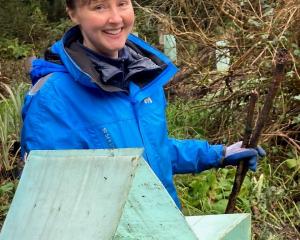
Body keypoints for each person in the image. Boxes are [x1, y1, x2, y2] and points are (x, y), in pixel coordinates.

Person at [21, 0, 265, 208]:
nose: (116, 18)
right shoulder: (53, 97)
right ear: (73, 12)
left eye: (122, 3)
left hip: (163, 223)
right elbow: (51, 201)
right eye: (99, 7)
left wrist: (218, 154)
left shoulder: (143, 76)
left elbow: (152, 151)